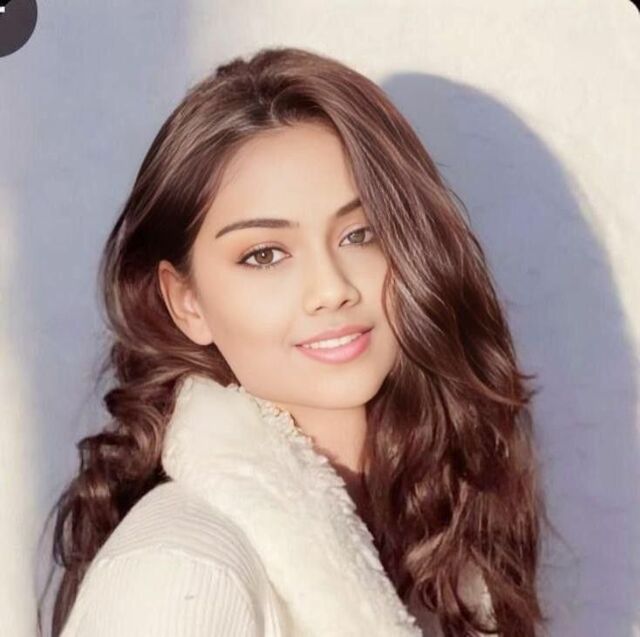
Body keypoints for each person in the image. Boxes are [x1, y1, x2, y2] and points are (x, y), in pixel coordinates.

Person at [38, 46, 550, 636]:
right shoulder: (180, 568)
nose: (331, 289)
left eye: (361, 234)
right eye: (264, 255)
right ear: (187, 302)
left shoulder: (440, 530)